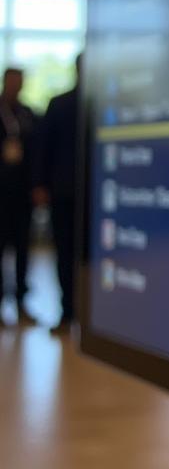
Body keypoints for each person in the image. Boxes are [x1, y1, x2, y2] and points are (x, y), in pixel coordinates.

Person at [38, 56, 81, 334]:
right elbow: (44, 149)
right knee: (65, 253)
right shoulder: (61, 104)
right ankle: (69, 312)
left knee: (72, 255)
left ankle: (79, 314)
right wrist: (40, 185)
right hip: (65, 193)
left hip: (86, 196)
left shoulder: (101, 104)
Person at [0, 67, 39, 326]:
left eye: (20, 82)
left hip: (22, 192)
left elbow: (38, 151)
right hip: (0, 191)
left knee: (24, 248)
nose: (16, 86)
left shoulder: (28, 114)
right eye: (12, 82)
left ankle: (22, 302)